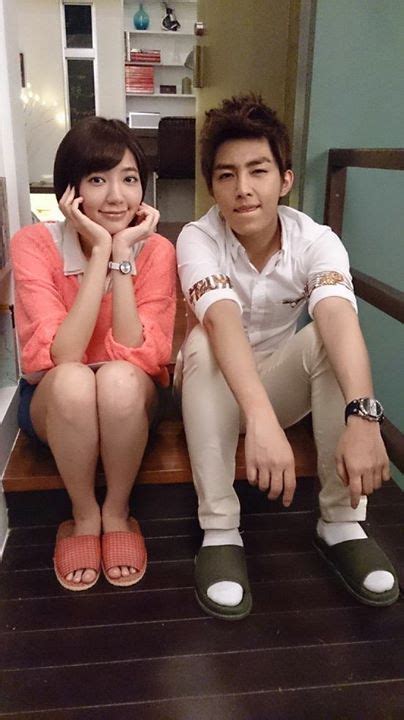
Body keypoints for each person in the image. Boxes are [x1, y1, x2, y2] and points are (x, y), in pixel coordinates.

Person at [175, 94, 399, 620]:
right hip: (211, 390)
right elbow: (221, 320)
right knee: (205, 339)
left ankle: (341, 522)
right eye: (227, 175)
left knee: (324, 337)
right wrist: (258, 418)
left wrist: (364, 414)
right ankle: (220, 530)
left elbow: (338, 316)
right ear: (213, 187)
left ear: (285, 180)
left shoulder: (315, 240)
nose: (243, 188)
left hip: (277, 385)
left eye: (258, 170)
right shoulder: (196, 237)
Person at [11, 117, 176, 591]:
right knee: (75, 378)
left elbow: (139, 355)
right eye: (98, 180)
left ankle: (117, 512)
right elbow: (61, 356)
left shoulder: (156, 250)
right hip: (57, 402)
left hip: (130, 398)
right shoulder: (33, 244)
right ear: (71, 190)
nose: (117, 197)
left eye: (129, 179)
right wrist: (101, 250)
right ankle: (84, 516)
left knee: (118, 377)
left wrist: (123, 254)